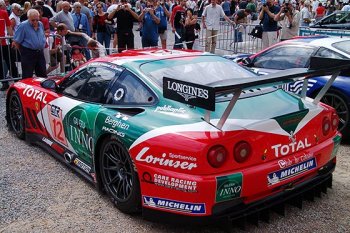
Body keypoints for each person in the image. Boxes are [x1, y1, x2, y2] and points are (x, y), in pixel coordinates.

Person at [12, 9, 47, 78]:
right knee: (27, 75)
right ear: (28, 18)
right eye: (33, 20)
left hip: (39, 52)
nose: (35, 22)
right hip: (28, 52)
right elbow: (16, 41)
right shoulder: (23, 26)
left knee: (42, 74)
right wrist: (23, 53)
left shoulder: (40, 24)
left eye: (37, 19)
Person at [0, 0, 18, 91]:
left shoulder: (3, 13)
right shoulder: (4, 12)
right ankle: (14, 80)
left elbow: (8, 26)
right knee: (10, 61)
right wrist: (12, 39)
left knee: (8, 61)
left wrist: (12, 39)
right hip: (4, 41)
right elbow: (9, 27)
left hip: (4, 41)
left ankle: (5, 82)